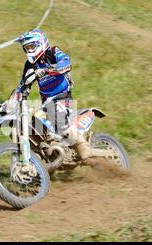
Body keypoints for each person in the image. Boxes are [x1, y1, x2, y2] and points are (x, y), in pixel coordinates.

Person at [16, 29, 91, 160]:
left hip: (62, 96)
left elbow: (66, 63)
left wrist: (47, 70)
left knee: (62, 123)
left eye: (32, 46)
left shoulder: (53, 52)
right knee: (32, 122)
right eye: (26, 48)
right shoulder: (29, 65)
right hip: (46, 101)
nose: (29, 50)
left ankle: (80, 141)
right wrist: (15, 97)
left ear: (41, 43)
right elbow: (22, 84)